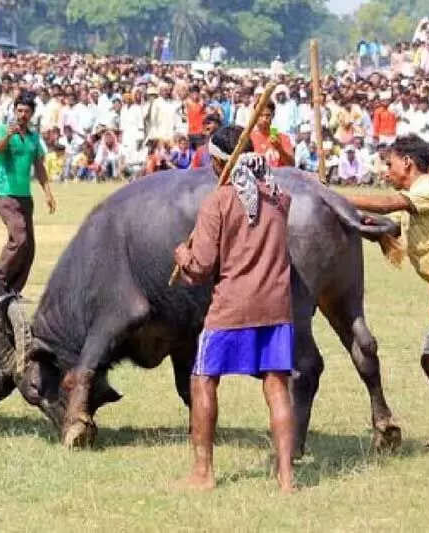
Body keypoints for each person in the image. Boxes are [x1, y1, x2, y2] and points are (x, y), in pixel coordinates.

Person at [173, 125, 296, 492]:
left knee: (203, 381)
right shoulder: (278, 199)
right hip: (276, 306)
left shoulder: (218, 201)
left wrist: (183, 255)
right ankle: (287, 479)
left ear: (216, 161)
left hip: (231, 307)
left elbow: (200, 268)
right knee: (276, 386)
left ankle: (203, 473)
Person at [347, 134, 429, 451]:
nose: (385, 172)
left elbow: (390, 205)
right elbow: (388, 224)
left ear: (408, 162)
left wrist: (332, 197)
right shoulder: (412, 202)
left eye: (389, 164)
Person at [0, 91, 56, 293]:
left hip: (25, 196)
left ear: (32, 114)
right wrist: (9, 136)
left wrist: (48, 193)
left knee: (29, 248)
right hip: (5, 193)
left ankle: (13, 290)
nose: (22, 115)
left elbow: (39, 166)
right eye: (19, 110)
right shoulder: (3, 130)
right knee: (19, 239)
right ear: (14, 111)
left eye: (26, 111)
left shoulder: (34, 138)